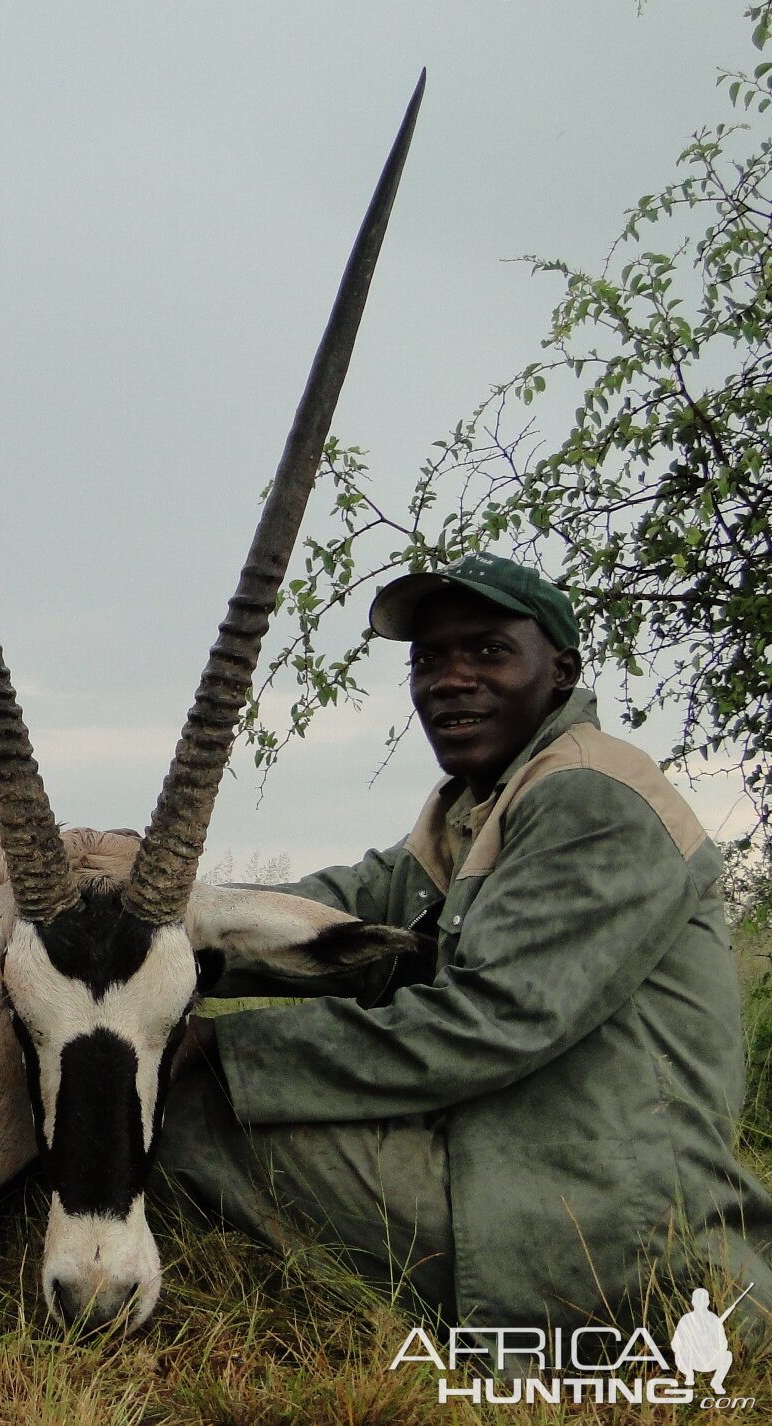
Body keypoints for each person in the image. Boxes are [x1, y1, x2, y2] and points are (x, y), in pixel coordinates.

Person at [155, 552, 772, 1342]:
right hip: (502, 1159)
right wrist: (161, 926)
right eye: (428, 660)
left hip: (594, 1214)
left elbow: (486, 1022)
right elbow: (337, 914)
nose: (449, 678)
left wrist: (211, 1047)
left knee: (171, 1102)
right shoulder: (478, 808)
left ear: (559, 671)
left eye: (486, 650)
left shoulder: (589, 796)